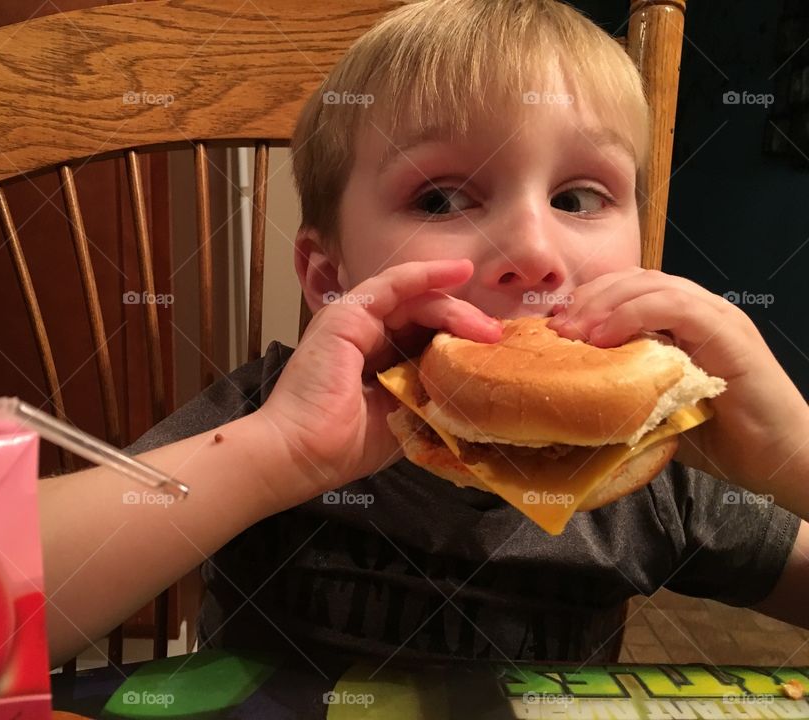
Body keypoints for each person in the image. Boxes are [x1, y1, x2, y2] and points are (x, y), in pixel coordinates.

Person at [40, 0, 809, 669]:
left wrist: (792, 455)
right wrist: (274, 459)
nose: (537, 252)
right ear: (326, 275)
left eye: (578, 196)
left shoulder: (655, 461)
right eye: (441, 199)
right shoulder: (266, 414)